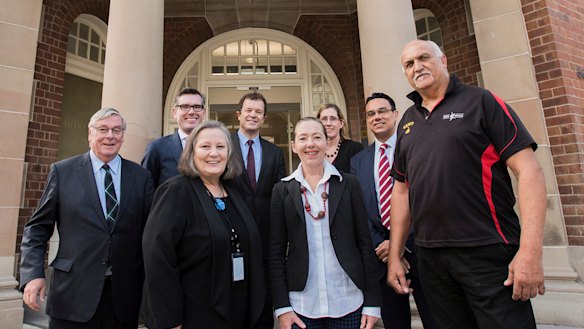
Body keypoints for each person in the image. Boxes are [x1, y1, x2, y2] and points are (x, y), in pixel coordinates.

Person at [387, 39, 546, 329]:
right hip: (431, 258)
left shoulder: (482, 101)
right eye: (409, 64)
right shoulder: (408, 121)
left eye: (424, 58)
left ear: (443, 60)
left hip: (487, 250)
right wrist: (395, 255)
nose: (417, 67)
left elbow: (530, 172)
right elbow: (401, 190)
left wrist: (530, 251)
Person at [20, 108, 154, 328]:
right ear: (90, 134)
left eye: (116, 130)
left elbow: (151, 233)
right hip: (73, 294)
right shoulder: (63, 172)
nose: (110, 135)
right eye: (103, 129)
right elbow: (37, 228)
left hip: (123, 298)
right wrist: (33, 274)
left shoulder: (141, 176)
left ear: (122, 136)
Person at [143, 120, 266, 329]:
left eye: (220, 147)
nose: (214, 153)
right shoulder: (175, 191)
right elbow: (158, 258)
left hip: (239, 310)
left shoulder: (235, 191)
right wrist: (171, 320)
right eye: (205, 146)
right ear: (191, 152)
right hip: (195, 314)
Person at [270, 117, 381, 329]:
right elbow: (275, 252)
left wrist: (372, 303)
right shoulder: (282, 191)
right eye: (303, 138)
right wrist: (282, 307)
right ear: (294, 146)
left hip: (348, 300)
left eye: (317, 137)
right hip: (301, 305)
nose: (310, 144)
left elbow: (365, 244)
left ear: (326, 142)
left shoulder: (349, 184)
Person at [351, 92, 435, 329]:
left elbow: (428, 198)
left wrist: (399, 244)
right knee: (395, 323)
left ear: (395, 114)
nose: (376, 117)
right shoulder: (359, 161)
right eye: (370, 114)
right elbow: (361, 210)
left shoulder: (418, 149)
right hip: (383, 259)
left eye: (382, 111)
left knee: (435, 320)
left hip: (419, 251)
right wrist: (385, 247)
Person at [231, 92, 286, 329]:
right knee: (234, 295)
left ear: (264, 117)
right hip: (231, 233)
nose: (253, 115)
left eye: (258, 112)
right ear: (239, 115)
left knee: (264, 297)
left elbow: (280, 194)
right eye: (249, 110)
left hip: (266, 235)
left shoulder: (275, 153)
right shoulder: (224, 146)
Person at [142, 88, 206, 188]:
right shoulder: (157, 148)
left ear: (204, 112)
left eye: (197, 107)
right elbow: (146, 188)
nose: (191, 112)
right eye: (185, 106)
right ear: (175, 112)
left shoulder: (215, 148)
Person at [317, 103, 363, 172]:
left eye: (333, 119)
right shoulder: (314, 150)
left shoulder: (355, 149)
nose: (328, 123)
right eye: (324, 119)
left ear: (341, 123)